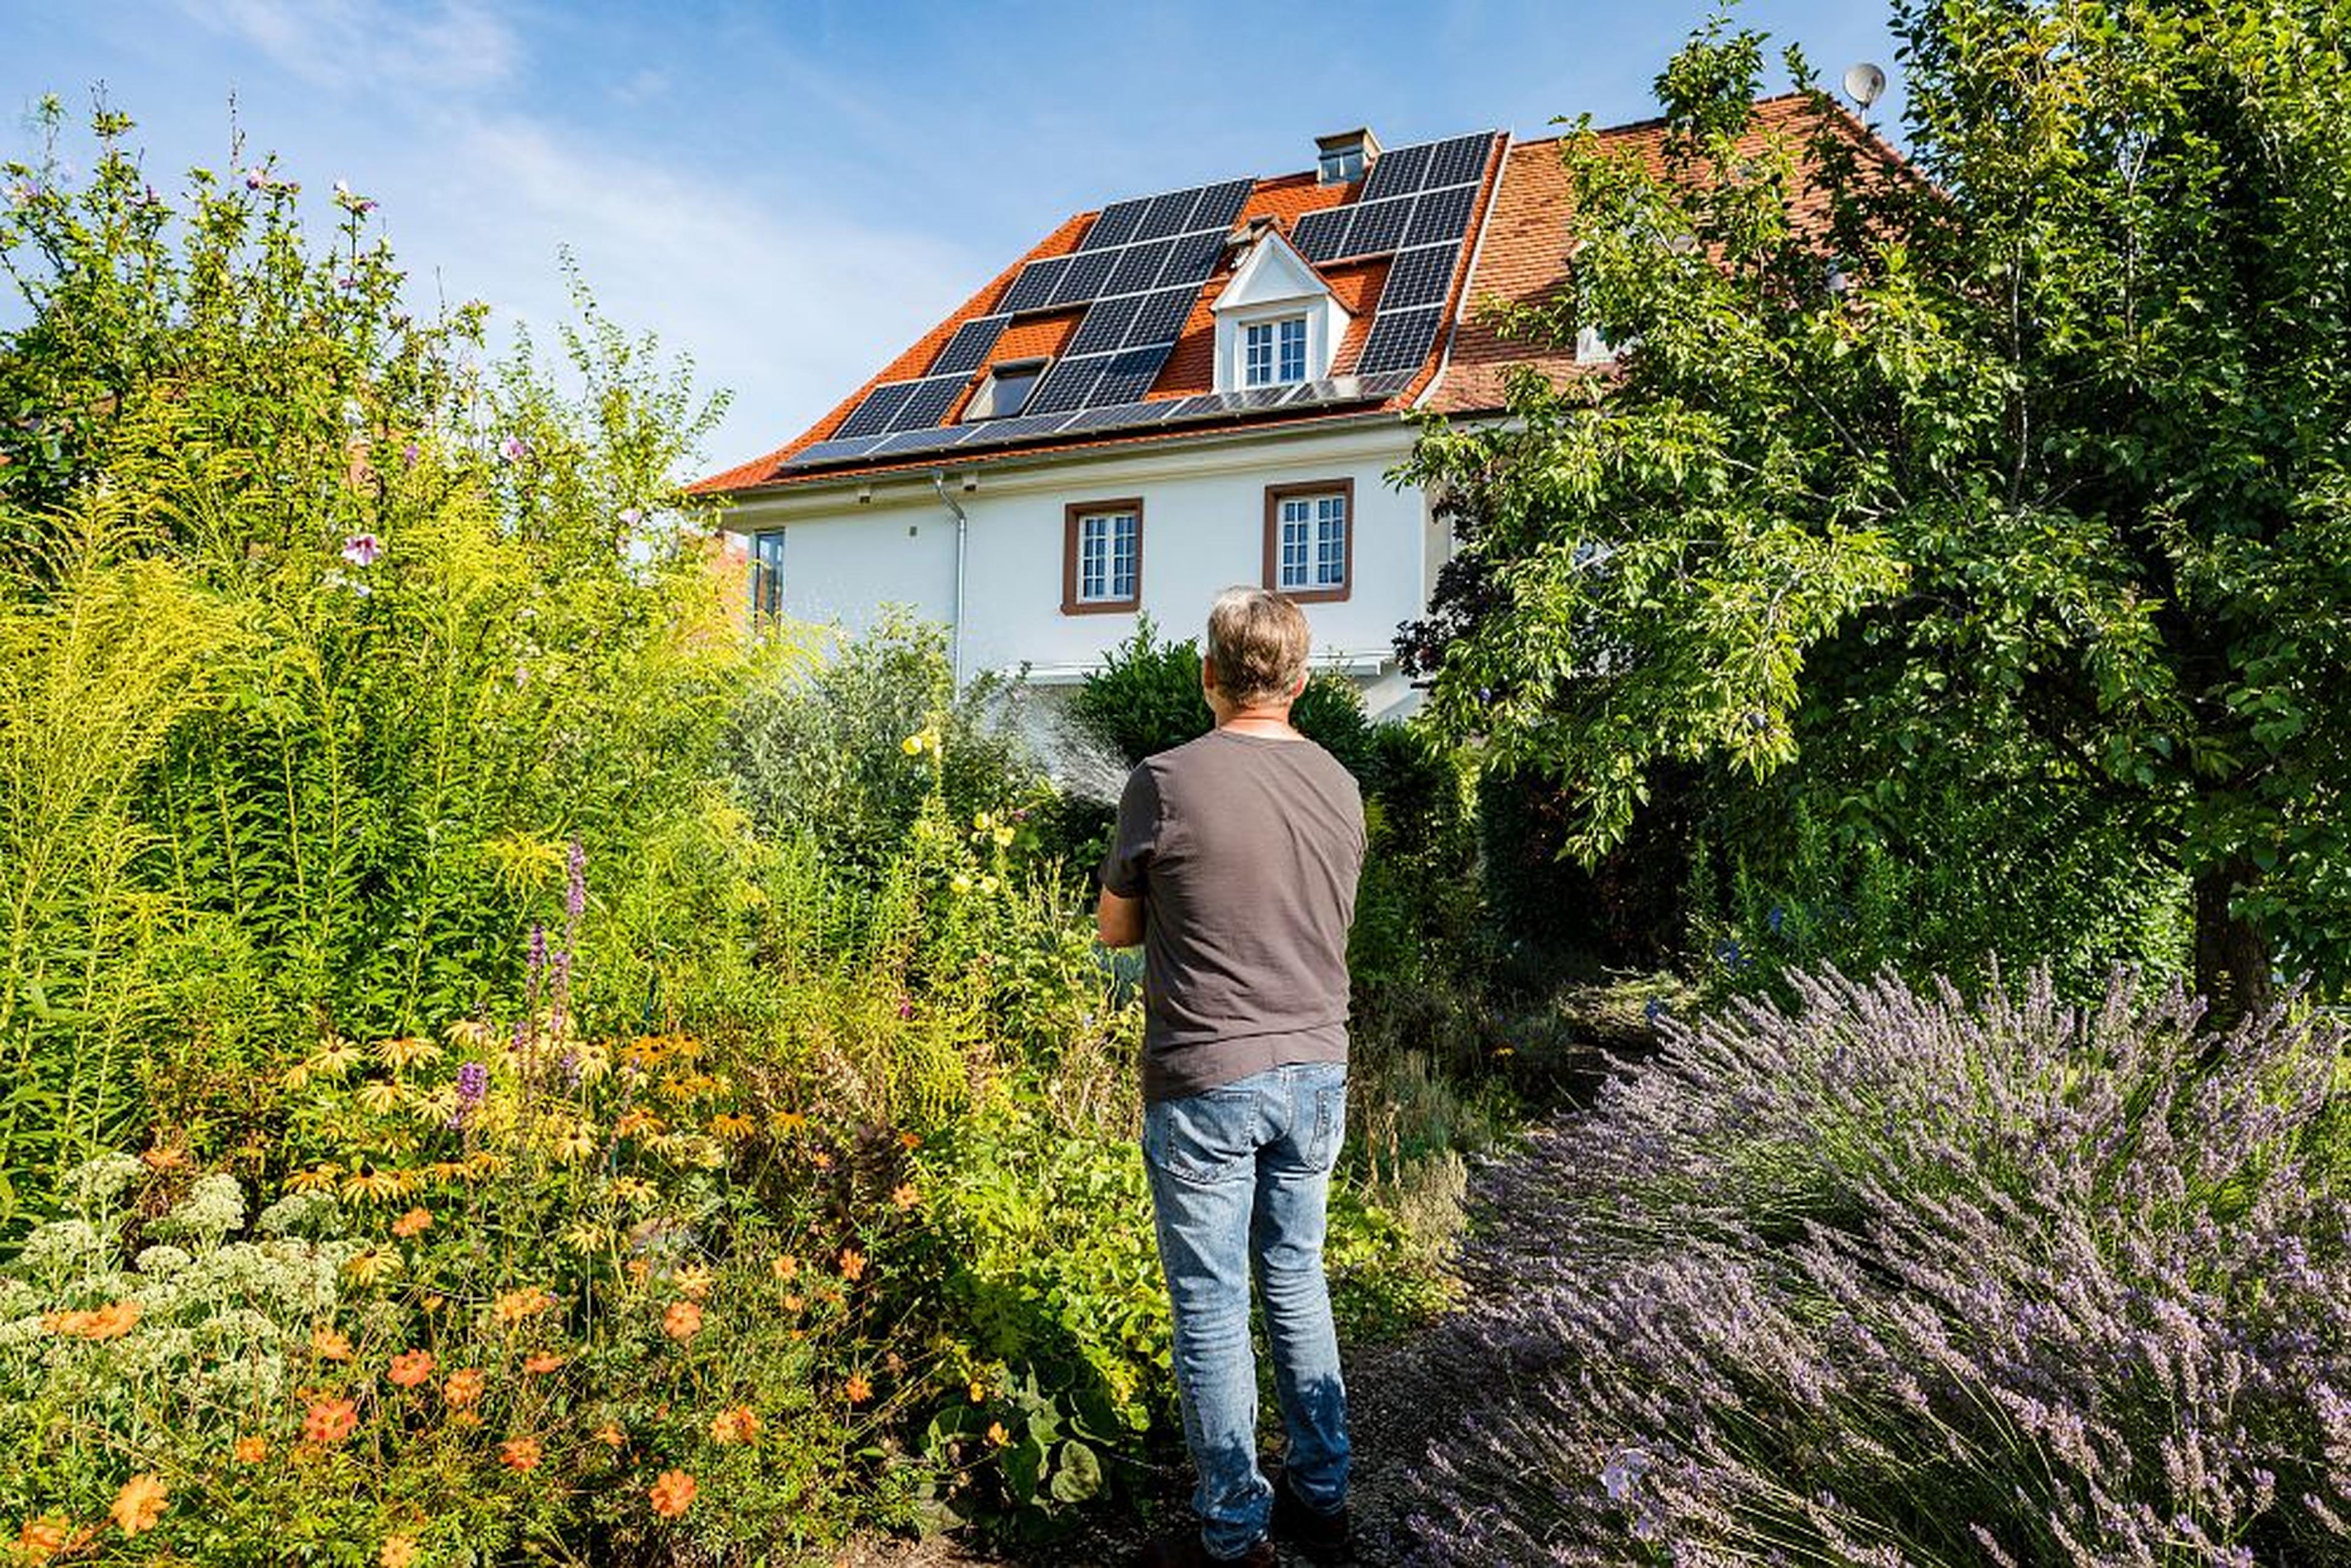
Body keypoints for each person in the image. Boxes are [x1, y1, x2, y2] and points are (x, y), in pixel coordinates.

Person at [1097, 587, 1366, 1567]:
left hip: (1207, 1070)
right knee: (1296, 1277)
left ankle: (1233, 1530)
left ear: (1208, 674)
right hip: (1317, 1066)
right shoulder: (1340, 782)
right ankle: (1323, 1498)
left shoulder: (1165, 781)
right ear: (1299, 681)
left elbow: (1117, 930)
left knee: (1211, 1302)